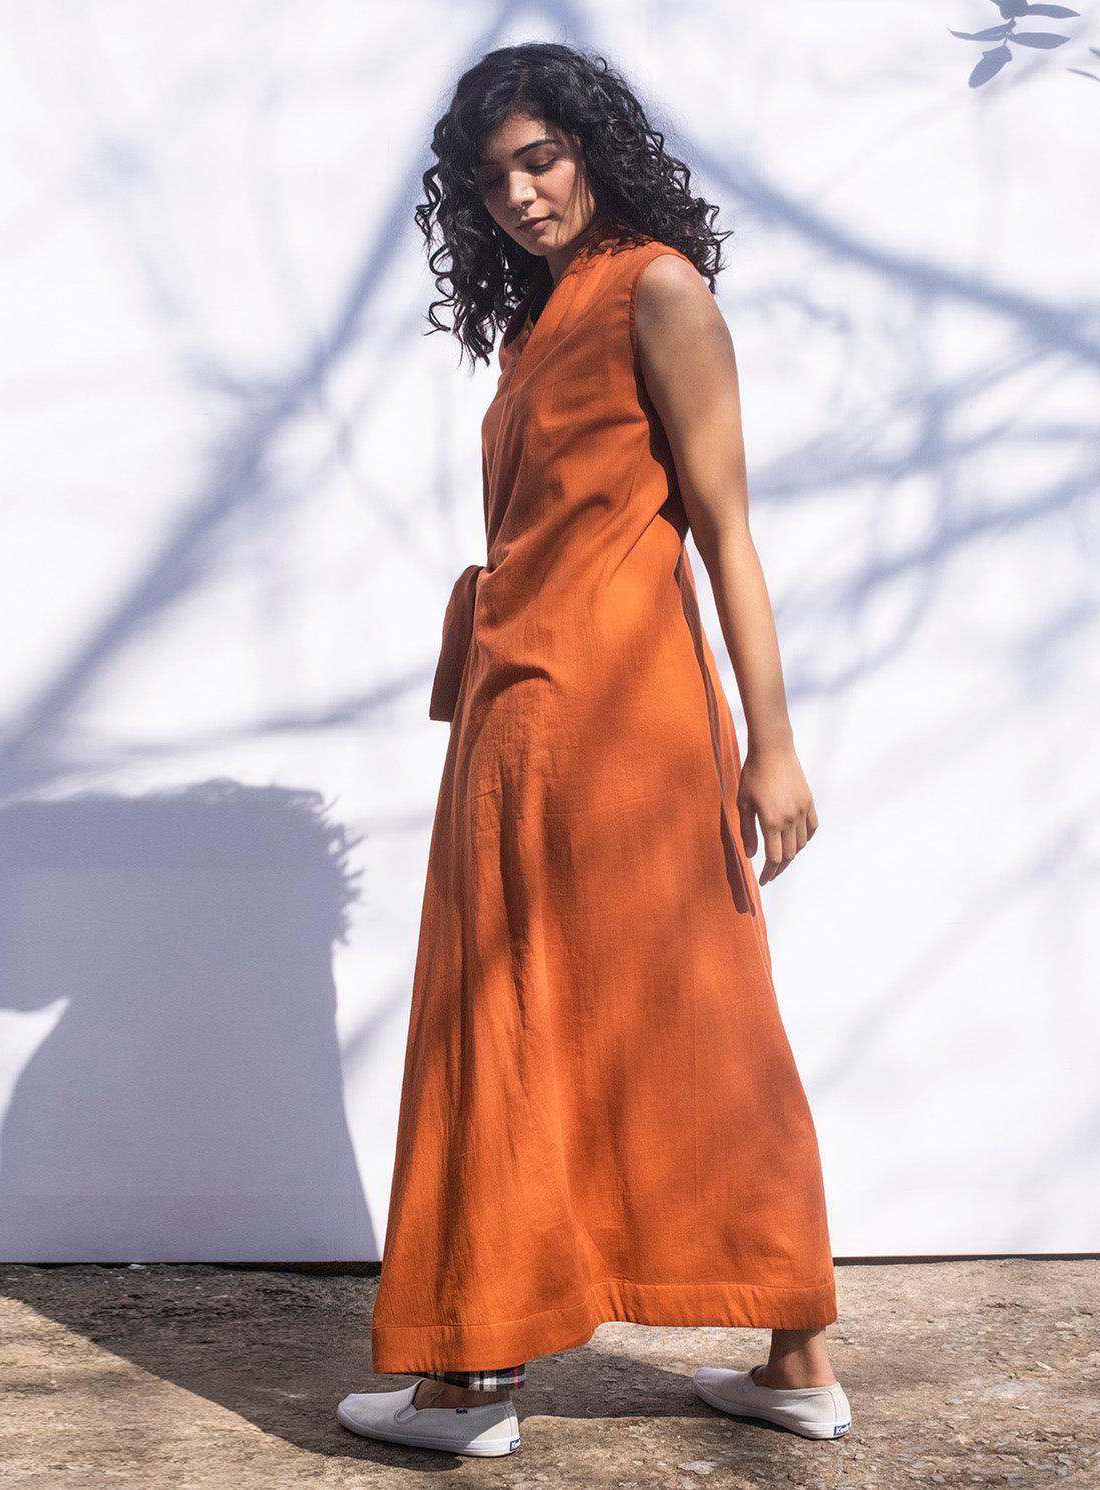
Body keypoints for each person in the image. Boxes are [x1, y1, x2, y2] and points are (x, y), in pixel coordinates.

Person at [337, 41, 851, 1458]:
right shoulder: (540, 323)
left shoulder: (657, 289)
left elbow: (727, 527)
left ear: (594, 150)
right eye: (491, 178)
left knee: (558, 1016)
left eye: (541, 159)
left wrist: (774, 744)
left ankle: (470, 1384)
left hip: (611, 717)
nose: (519, 194)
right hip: (529, 706)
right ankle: (789, 1360)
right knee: (641, 1017)